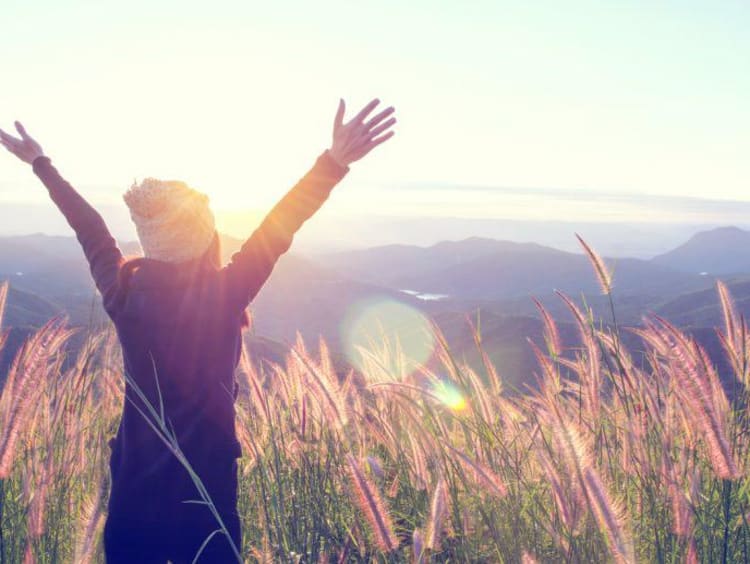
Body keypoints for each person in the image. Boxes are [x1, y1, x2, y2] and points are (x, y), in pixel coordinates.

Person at [0, 98, 396, 563]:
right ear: (208, 236)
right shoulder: (226, 294)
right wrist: (332, 163)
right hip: (207, 499)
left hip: (134, 496)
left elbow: (90, 228)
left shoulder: (124, 295)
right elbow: (280, 226)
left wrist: (41, 164)